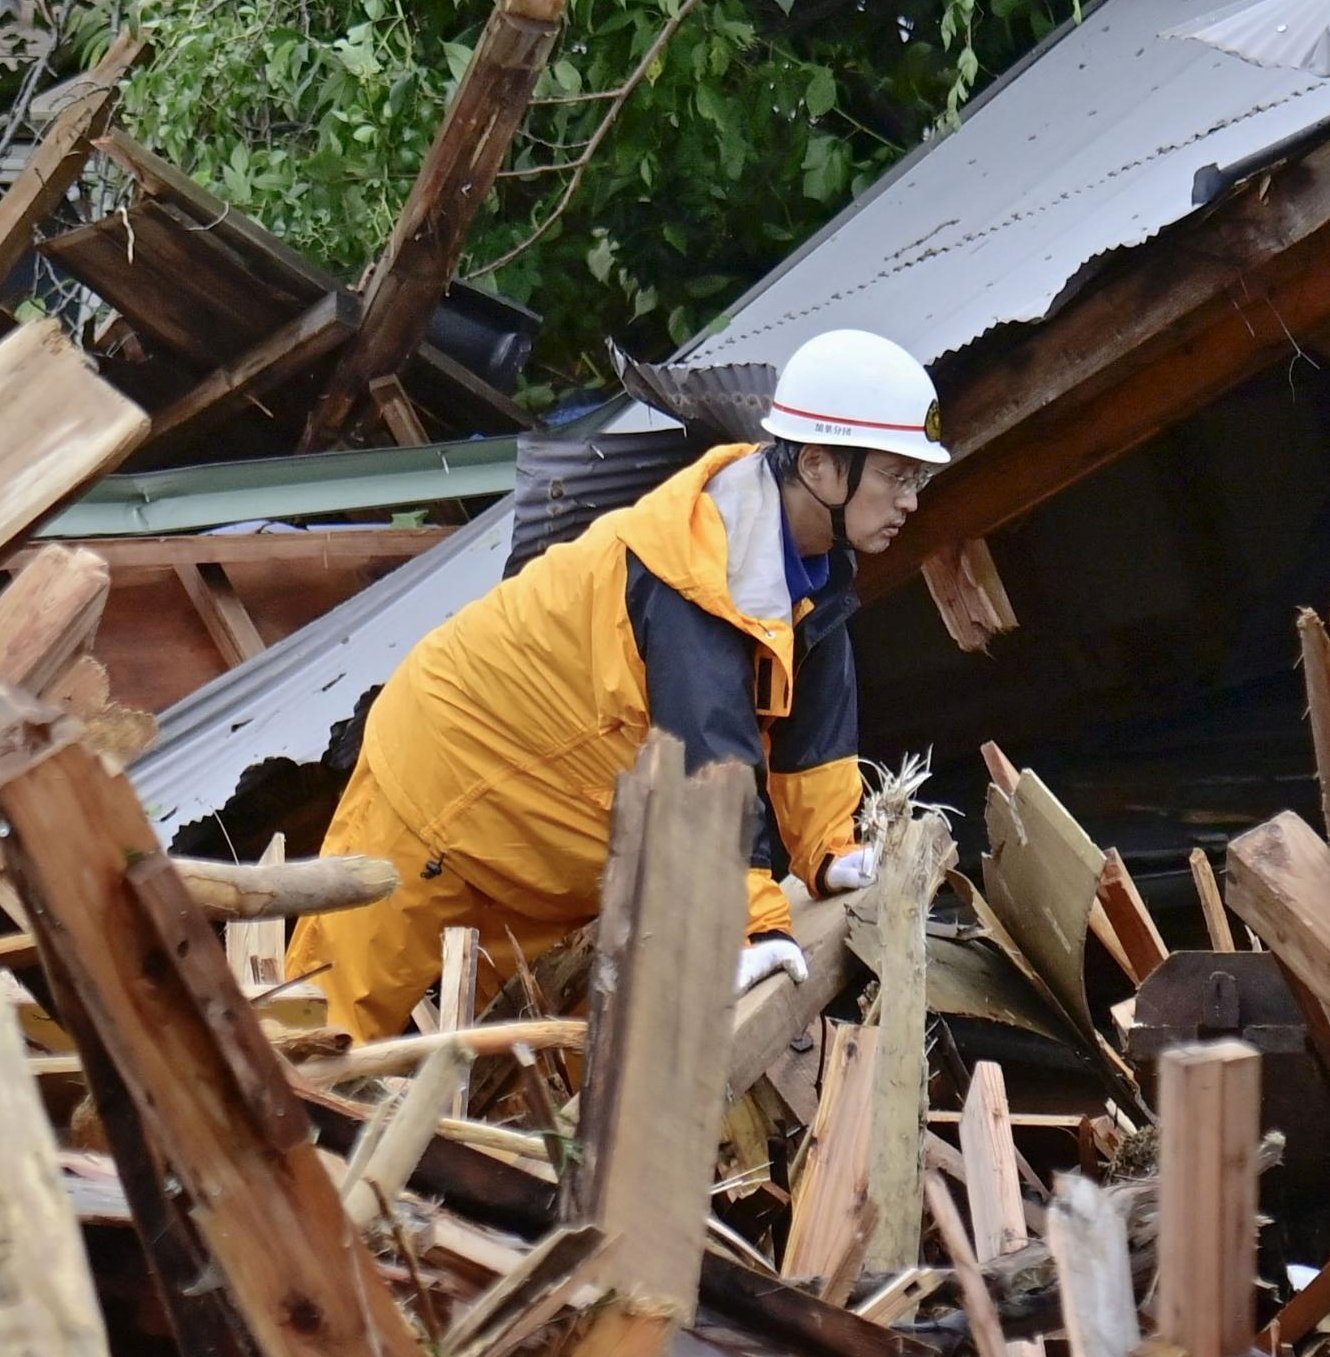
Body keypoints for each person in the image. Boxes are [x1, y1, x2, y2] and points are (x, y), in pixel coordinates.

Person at [289, 329, 946, 1039]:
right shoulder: (695, 571)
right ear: (818, 464)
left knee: (547, 1077)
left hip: (552, 845)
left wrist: (830, 849)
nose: (910, 500)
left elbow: (812, 734)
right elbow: (707, 760)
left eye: (918, 478)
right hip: (442, 788)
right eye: (896, 475)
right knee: (321, 1037)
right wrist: (748, 924)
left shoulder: (811, 572)